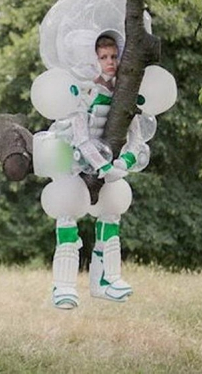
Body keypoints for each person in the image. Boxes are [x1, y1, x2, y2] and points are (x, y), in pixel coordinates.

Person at [51, 34, 135, 310]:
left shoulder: (123, 94)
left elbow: (136, 137)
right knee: (67, 215)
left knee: (111, 215)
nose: (110, 62)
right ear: (93, 60)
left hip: (109, 166)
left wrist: (125, 162)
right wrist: (102, 165)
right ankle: (63, 286)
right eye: (103, 57)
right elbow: (80, 137)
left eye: (114, 57)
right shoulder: (82, 93)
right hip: (75, 163)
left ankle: (107, 280)